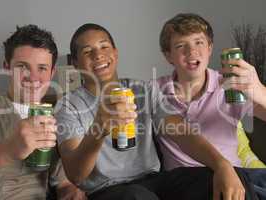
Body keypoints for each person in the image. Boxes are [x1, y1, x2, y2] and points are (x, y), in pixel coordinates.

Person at [55, 23, 253, 200]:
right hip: (108, 191)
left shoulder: (143, 90)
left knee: (216, 179)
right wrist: (99, 128)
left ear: (115, 53)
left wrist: (221, 165)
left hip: (155, 181)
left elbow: (181, 132)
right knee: (137, 196)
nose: (98, 55)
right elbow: (76, 174)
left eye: (104, 47)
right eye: (88, 51)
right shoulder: (68, 105)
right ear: (75, 63)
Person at [0, 24, 86, 200]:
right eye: (23, 67)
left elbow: (62, 182)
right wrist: (10, 149)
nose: (33, 77)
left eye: (42, 68)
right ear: (7, 67)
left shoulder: (54, 118)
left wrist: (70, 191)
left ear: (52, 72)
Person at [157, 12, 266, 199]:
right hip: (187, 180)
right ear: (169, 56)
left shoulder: (231, 85)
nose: (192, 52)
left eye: (199, 42)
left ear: (209, 48)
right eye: (181, 45)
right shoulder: (155, 89)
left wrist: (259, 91)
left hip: (240, 175)